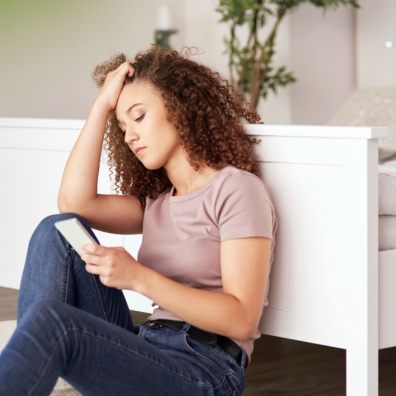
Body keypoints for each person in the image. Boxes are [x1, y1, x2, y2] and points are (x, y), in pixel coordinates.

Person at [0, 45, 278, 395]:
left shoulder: (237, 190)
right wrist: (102, 106)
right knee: (56, 230)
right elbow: (73, 202)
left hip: (204, 368)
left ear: (179, 110)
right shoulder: (157, 205)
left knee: (57, 324)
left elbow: (241, 319)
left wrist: (138, 277)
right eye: (123, 125)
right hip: (148, 347)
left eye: (139, 116)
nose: (129, 135)